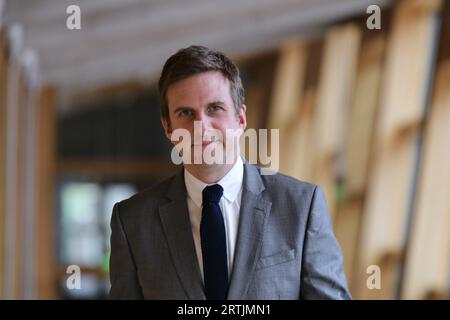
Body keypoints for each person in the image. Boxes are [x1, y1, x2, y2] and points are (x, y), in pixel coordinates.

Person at [109, 45, 351, 300]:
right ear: (168, 127)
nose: (201, 127)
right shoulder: (132, 221)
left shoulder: (301, 205)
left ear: (241, 118)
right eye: (185, 113)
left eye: (215, 108)